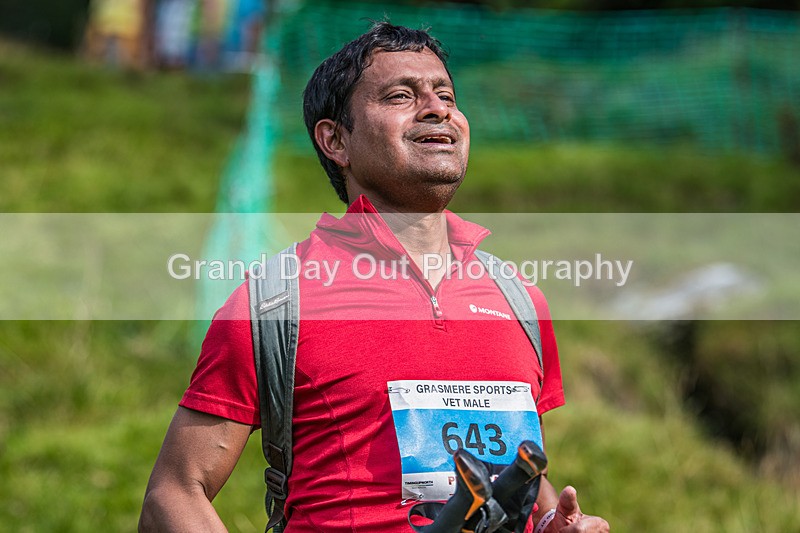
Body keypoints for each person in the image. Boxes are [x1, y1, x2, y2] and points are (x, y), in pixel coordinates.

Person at [139, 22, 610, 533]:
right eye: (401, 95)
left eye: (446, 94)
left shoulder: (521, 300)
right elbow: (174, 493)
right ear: (336, 139)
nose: (437, 109)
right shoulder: (277, 300)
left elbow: (514, 477)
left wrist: (552, 525)